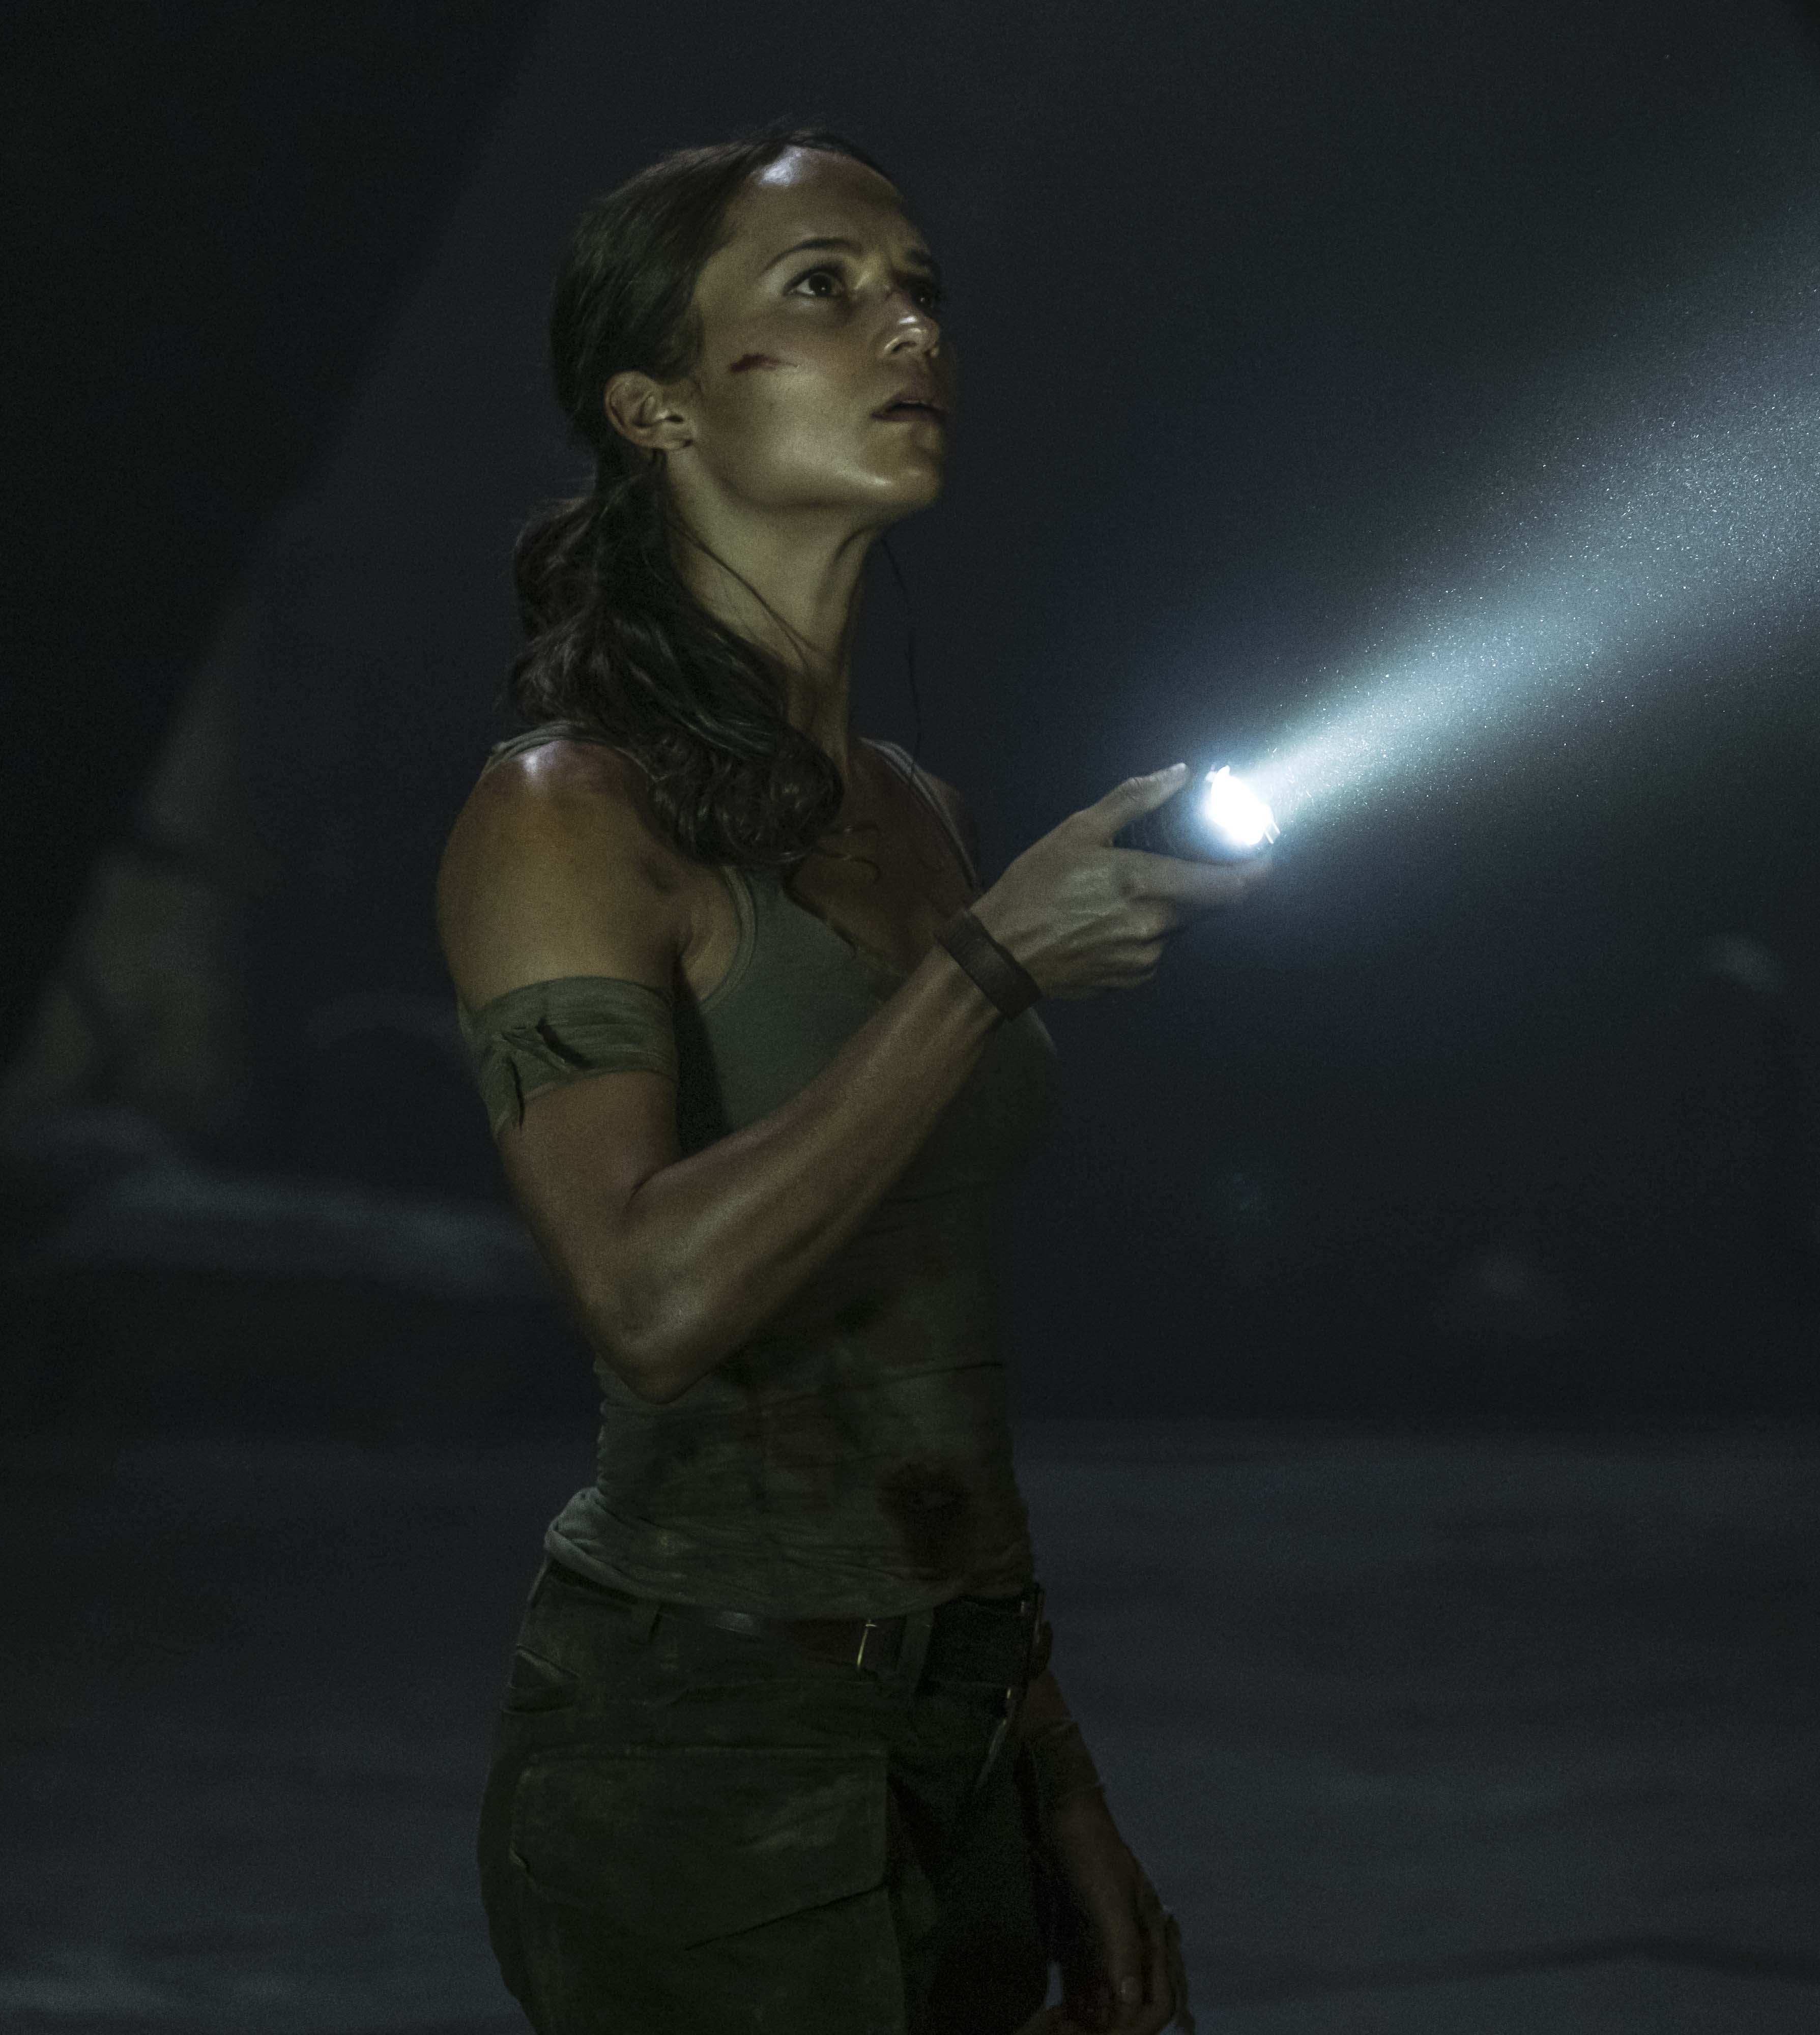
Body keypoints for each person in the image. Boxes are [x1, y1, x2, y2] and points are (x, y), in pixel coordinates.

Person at [438, 128, 1260, 2034]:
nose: (911, 329)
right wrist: (988, 970)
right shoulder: (562, 815)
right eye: (824, 289)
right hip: (702, 1751)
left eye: (920, 292)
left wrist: (1052, 1771)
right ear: (654, 405)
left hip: (953, 1727)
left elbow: (927, 1351)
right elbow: (648, 1301)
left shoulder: (917, 812)